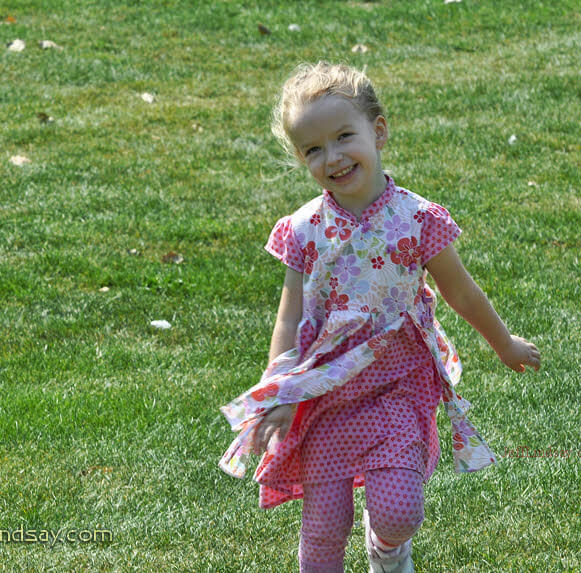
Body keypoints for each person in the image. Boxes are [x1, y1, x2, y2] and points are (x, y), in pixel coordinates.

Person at [219, 61, 541, 573]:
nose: (333, 157)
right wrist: (279, 390)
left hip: (397, 382)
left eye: (344, 136)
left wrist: (504, 343)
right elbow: (290, 317)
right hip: (325, 394)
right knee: (323, 532)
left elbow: (460, 291)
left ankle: (387, 549)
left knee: (398, 511)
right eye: (313, 149)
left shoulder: (417, 219)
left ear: (380, 131)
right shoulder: (303, 230)